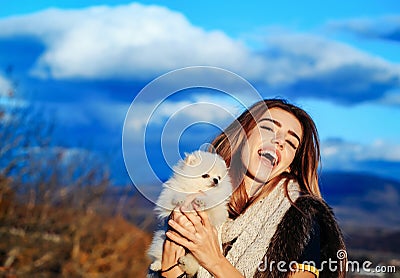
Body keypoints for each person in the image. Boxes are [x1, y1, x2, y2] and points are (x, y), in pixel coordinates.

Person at [152, 99, 346, 278]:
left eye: (290, 143)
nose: (279, 141)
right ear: (242, 136)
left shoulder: (302, 218)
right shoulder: (195, 202)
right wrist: (171, 270)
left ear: (289, 164)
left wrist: (215, 261)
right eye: (268, 129)